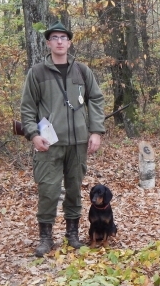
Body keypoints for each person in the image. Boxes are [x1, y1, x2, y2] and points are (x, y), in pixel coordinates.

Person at [20, 21, 106, 257]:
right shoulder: (37, 73)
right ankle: (46, 238)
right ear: (48, 43)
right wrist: (33, 134)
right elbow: (27, 108)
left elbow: (96, 100)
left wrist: (96, 131)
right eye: (54, 38)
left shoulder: (82, 71)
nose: (59, 41)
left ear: (69, 42)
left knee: (74, 190)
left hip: (78, 143)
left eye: (63, 38)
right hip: (49, 145)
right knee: (48, 191)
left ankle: (72, 234)